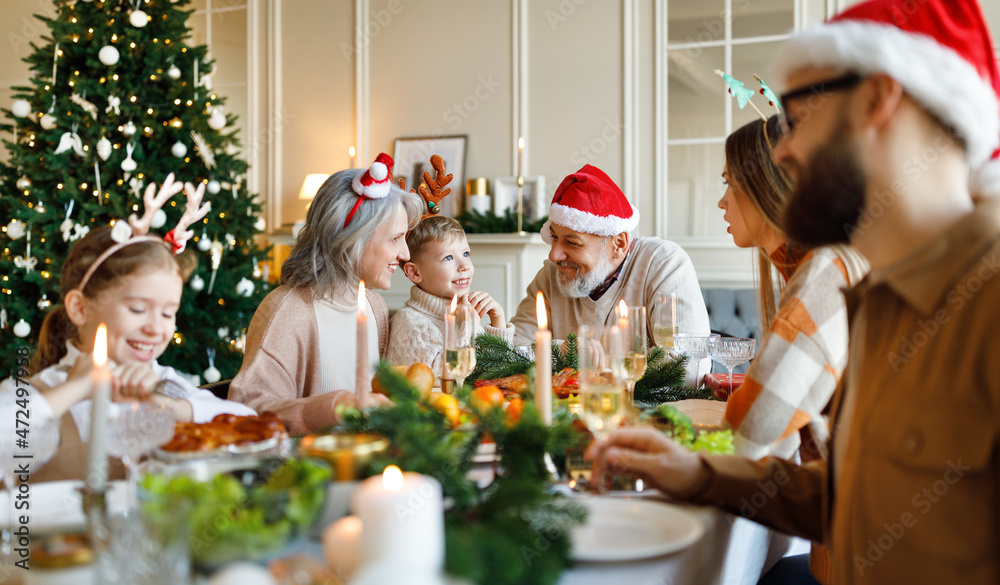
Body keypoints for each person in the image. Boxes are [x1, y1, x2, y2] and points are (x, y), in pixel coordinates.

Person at [587, 1, 1000, 583]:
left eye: (797, 120)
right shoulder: (880, 299)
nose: (781, 151)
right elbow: (851, 499)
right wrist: (699, 473)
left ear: (878, 98)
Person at [10, 175, 256, 482]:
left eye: (169, 313)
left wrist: (171, 407)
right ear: (80, 308)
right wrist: (72, 390)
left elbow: (251, 426)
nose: (156, 328)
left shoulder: (164, 384)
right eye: (138, 309)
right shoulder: (39, 393)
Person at [230, 154, 424, 434]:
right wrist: (334, 408)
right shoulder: (288, 311)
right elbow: (248, 410)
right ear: (352, 238)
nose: (405, 254)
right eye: (395, 239)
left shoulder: (375, 306)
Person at [719, 116, 868, 460]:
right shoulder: (815, 265)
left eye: (729, 182)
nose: (722, 202)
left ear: (767, 182)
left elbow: (747, 438)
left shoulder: (823, 275)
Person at [510, 164, 711, 383]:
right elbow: (512, 349)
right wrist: (572, 349)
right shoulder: (551, 276)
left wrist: (589, 358)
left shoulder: (665, 264)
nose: (554, 254)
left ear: (618, 244)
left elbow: (688, 368)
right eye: (554, 237)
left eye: (571, 242)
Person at [387, 216, 514, 380]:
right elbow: (447, 378)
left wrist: (498, 321)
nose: (465, 266)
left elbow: (496, 372)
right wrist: (469, 326)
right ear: (415, 272)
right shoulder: (409, 323)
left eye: (466, 254)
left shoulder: (462, 313)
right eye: (448, 257)